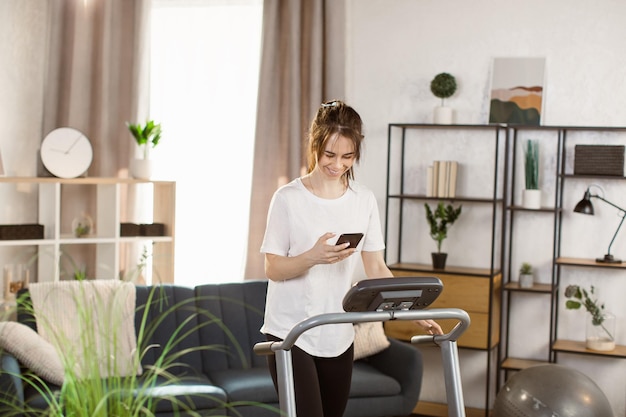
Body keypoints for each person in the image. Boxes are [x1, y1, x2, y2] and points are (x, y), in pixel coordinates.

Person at [260, 100, 443, 417]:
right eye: (330, 154)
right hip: (290, 333)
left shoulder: (363, 200)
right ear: (315, 144)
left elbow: (376, 268)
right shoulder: (288, 198)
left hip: (338, 333)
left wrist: (413, 310)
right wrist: (312, 257)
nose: (337, 164)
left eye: (348, 156)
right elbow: (272, 268)